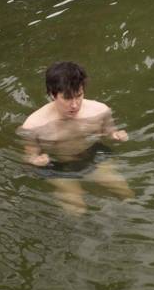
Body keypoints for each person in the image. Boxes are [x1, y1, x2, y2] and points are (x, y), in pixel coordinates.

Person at [18, 61, 132, 213]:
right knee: (77, 209)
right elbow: (29, 155)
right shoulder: (34, 126)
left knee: (125, 192)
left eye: (79, 96)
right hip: (58, 164)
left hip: (91, 154)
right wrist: (35, 160)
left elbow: (109, 131)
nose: (74, 105)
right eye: (67, 98)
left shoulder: (99, 110)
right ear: (52, 94)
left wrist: (115, 135)